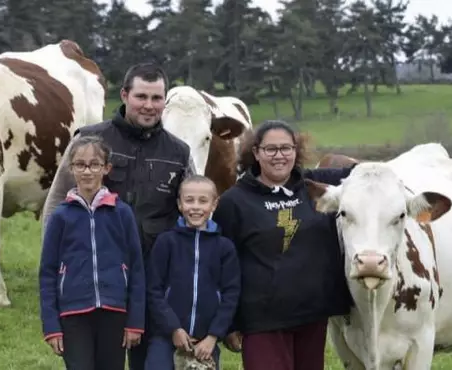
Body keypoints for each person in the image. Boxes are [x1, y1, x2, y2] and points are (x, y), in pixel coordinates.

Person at [40, 62, 196, 369]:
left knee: (146, 360)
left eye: (157, 98)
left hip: (152, 278)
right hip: (98, 275)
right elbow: (57, 199)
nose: (149, 106)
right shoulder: (89, 141)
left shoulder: (179, 153)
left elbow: (193, 209)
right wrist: (58, 266)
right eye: (141, 96)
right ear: (124, 95)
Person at [211, 120, 358, 370]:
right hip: (261, 320)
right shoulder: (234, 202)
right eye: (270, 149)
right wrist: (230, 323)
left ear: (295, 151)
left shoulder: (314, 188)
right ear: (256, 152)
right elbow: (222, 264)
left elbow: (363, 175)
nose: (279, 155)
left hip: (312, 316)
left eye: (286, 148)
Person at [38, 135, 145, 369]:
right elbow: (47, 273)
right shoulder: (60, 217)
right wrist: (51, 326)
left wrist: (135, 322)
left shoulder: (122, 213)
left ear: (106, 168)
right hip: (73, 314)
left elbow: (136, 268)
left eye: (94, 164)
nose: (87, 171)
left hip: (115, 312)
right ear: (71, 168)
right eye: (80, 164)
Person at [144, 175, 241, 370]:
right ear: (180, 204)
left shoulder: (225, 248)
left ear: (214, 204)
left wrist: (214, 335)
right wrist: (173, 328)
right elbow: (153, 289)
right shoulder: (166, 242)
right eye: (189, 200)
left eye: (203, 201)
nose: (195, 207)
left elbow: (231, 294)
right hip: (166, 338)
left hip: (206, 341)